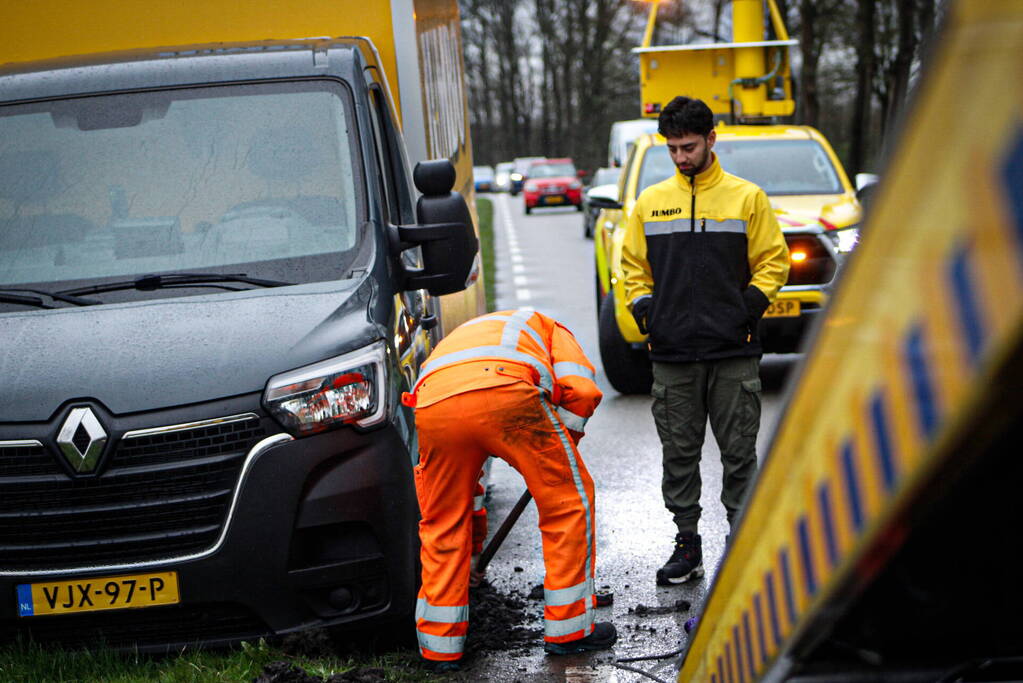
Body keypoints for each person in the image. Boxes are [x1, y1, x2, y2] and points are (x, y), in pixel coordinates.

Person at [620, 96, 789, 586]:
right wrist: (646, 309)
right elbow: (632, 268)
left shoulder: (746, 198)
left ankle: (743, 544)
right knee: (679, 454)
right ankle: (687, 543)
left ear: (711, 140)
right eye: (672, 148)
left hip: (733, 351)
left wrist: (745, 310)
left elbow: (773, 261)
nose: (680, 158)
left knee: (739, 453)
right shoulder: (651, 202)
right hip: (672, 354)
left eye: (688, 147)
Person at [403, 309, 616, 670]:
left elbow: (471, 493)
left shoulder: (465, 338)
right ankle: (569, 629)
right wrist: (564, 447)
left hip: (434, 405)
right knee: (567, 502)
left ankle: (440, 649)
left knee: (443, 519)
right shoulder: (548, 327)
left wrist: (472, 557)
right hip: (506, 390)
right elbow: (579, 390)